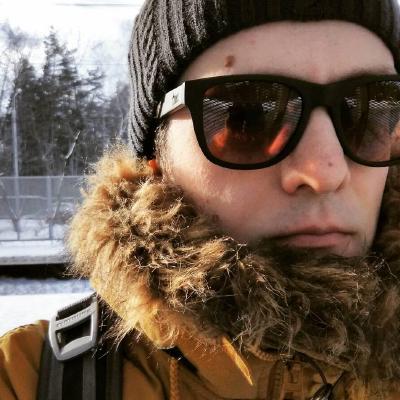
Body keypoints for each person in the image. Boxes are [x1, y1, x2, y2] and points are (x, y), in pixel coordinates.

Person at [1, 0, 400, 399]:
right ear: (156, 159)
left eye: (369, 113)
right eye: (247, 117)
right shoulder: (23, 381)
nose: (325, 172)